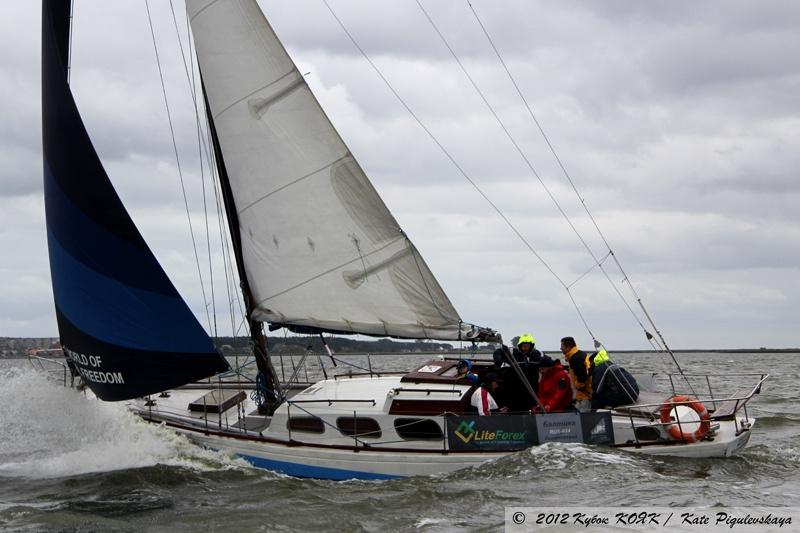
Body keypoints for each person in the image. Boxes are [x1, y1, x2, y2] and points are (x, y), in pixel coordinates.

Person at [560, 336, 592, 412]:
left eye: (562, 346)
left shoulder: (576, 358)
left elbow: (582, 379)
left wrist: (577, 386)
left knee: (583, 416)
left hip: (584, 395)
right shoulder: (578, 355)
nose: (560, 348)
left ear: (568, 347)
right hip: (584, 394)